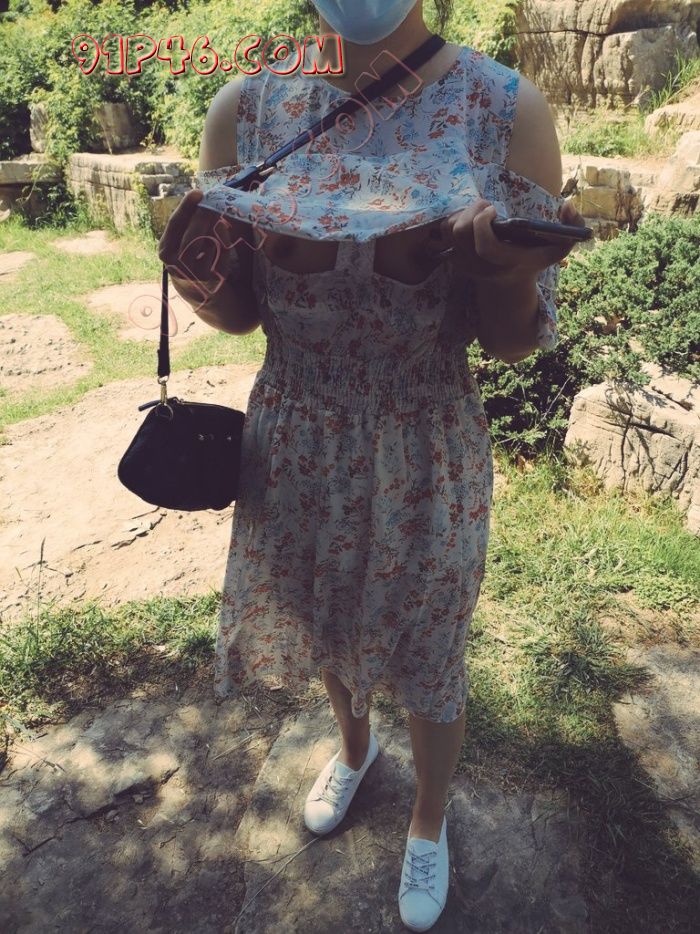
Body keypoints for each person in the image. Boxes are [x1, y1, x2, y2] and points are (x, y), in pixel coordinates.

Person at [158, 1, 585, 929]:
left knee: (430, 645)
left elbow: (511, 343)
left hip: (425, 442)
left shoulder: (504, 111)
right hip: (296, 433)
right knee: (322, 613)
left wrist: (509, 272)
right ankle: (354, 750)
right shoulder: (247, 110)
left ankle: (428, 818)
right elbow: (239, 314)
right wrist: (194, 277)